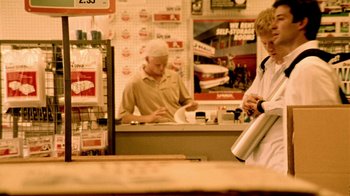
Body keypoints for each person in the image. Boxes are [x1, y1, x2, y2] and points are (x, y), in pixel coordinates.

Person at [241, 7, 289, 174]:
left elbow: (296, 106)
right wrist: (246, 102)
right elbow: (251, 94)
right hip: (257, 151)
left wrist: (263, 106)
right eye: (264, 43)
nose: (269, 48)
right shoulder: (265, 65)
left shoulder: (299, 66)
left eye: (272, 42)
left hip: (282, 154)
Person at [272, 0, 342, 105]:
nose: (273, 25)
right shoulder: (302, 66)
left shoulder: (309, 68)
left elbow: (323, 120)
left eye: (280, 19)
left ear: (302, 23)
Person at [118, 39, 198, 124]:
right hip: (154, 133)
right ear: (147, 59)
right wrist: (148, 118)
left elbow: (186, 101)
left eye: (165, 64)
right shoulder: (134, 83)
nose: (161, 68)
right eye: (157, 65)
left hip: (180, 128)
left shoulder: (174, 76)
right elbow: (123, 117)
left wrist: (191, 105)